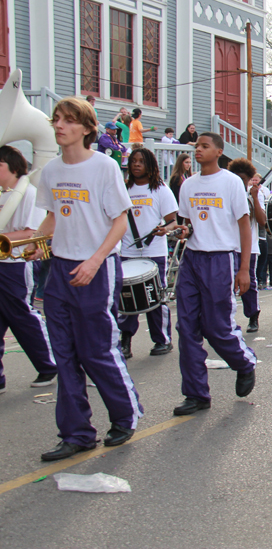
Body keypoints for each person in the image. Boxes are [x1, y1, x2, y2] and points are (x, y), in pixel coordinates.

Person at [33, 97, 142, 461]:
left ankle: (125, 415)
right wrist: (34, 243)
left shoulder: (103, 167)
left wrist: (95, 261)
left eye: (67, 120)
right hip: (61, 270)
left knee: (96, 350)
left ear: (86, 128)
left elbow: (120, 221)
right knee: (64, 355)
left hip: (96, 268)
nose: (59, 125)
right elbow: (52, 219)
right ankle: (76, 432)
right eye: (57, 120)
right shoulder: (50, 171)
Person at [164, 132, 256, 415]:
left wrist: (243, 269)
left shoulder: (230, 182)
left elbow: (244, 225)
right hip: (193, 259)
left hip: (221, 259)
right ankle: (196, 393)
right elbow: (189, 223)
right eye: (197, 146)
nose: (198, 150)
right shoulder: (188, 185)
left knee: (217, 326)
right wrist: (181, 230)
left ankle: (244, 363)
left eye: (205, 146)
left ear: (219, 151)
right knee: (187, 327)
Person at [0, 146, 56, 394]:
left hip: (14, 265)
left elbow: (31, 231)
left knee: (23, 316)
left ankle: (49, 364)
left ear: (13, 167)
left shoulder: (28, 194)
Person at [118, 147, 178, 359]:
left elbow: (173, 220)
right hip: (127, 251)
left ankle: (162, 339)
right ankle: (125, 340)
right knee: (126, 299)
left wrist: (166, 229)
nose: (136, 165)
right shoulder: (123, 189)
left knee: (155, 296)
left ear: (150, 165)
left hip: (154, 251)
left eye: (141, 162)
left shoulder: (160, 190)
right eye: (133, 161)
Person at [228, 159, 265, 334]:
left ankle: (252, 316)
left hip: (249, 247)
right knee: (226, 284)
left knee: (249, 283)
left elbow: (262, 221)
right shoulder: (226, 193)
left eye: (244, 180)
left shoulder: (255, 195)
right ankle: (227, 319)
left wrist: (255, 198)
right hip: (228, 245)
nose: (240, 183)